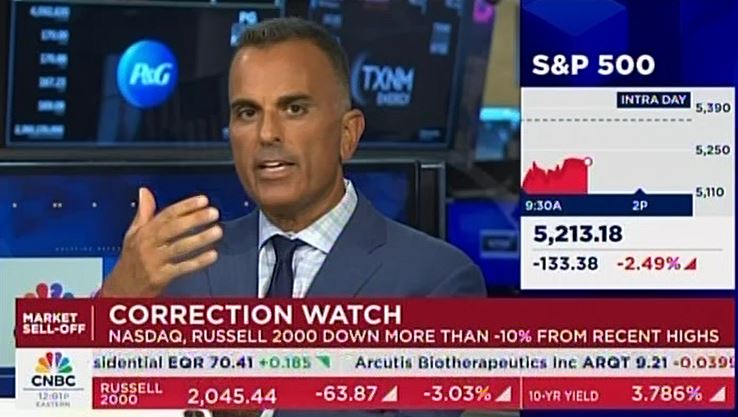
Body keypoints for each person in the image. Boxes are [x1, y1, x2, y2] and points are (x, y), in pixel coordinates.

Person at [102, 17, 486, 417]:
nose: (266, 133)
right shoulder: (184, 270)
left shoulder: (439, 283)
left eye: (294, 108)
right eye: (247, 112)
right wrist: (117, 300)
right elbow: (70, 390)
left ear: (348, 134)